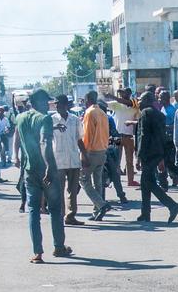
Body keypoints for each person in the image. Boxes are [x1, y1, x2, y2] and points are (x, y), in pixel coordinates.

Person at [15, 89, 71, 262]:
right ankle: (59, 247)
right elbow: (44, 142)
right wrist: (49, 166)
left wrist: (15, 156)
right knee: (55, 208)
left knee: (33, 210)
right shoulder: (45, 118)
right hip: (46, 170)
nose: (48, 105)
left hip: (29, 170)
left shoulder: (20, 118)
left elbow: (20, 137)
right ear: (37, 102)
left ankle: (37, 252)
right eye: (45, 102)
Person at [135, 91, 178, 223]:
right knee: (145, 183)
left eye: (140, 100)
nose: (138, 102)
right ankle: (145, 213)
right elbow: (162, 137)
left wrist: (139, 156)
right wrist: (162, 157)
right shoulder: (159, 115)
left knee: (148, 182)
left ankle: (172, 206)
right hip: (157, 153)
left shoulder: (145, 113)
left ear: (146, 101)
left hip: (147, 154)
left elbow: (143, 136)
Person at [50, 94, 84, 225]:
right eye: (55, 104)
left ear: (65, 105)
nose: (56, 106)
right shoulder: (52, 120)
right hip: (58, 160)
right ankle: (60, 215)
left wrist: (85, 155)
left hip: (73, 159)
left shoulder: (75, 120)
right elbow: (45, 136)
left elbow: (79, 139)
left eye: (58, 103)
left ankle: (70, 216)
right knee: (59, 190)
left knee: (73, 190)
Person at [79, 90, 112, 221]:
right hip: (102, 150)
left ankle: (101, 205)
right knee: (97, 181)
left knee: (83, 180)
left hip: (91, 151)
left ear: (87, 100)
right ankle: (97, 211)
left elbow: (87, 136)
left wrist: (83, 155)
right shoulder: (103, 113)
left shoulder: (89, 112)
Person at [112, 88, 139, 186]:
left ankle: (130, 181)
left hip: (129, 136)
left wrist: (112, 96)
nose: (124, 94)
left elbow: (137, 119)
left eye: (126, 93)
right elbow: (103, 104)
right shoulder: (116, 104)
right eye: (122, 93)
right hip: (117, 136)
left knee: (129, 160)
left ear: (130, 94)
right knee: (115, 160)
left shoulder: (134, 104)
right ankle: (115, 181)